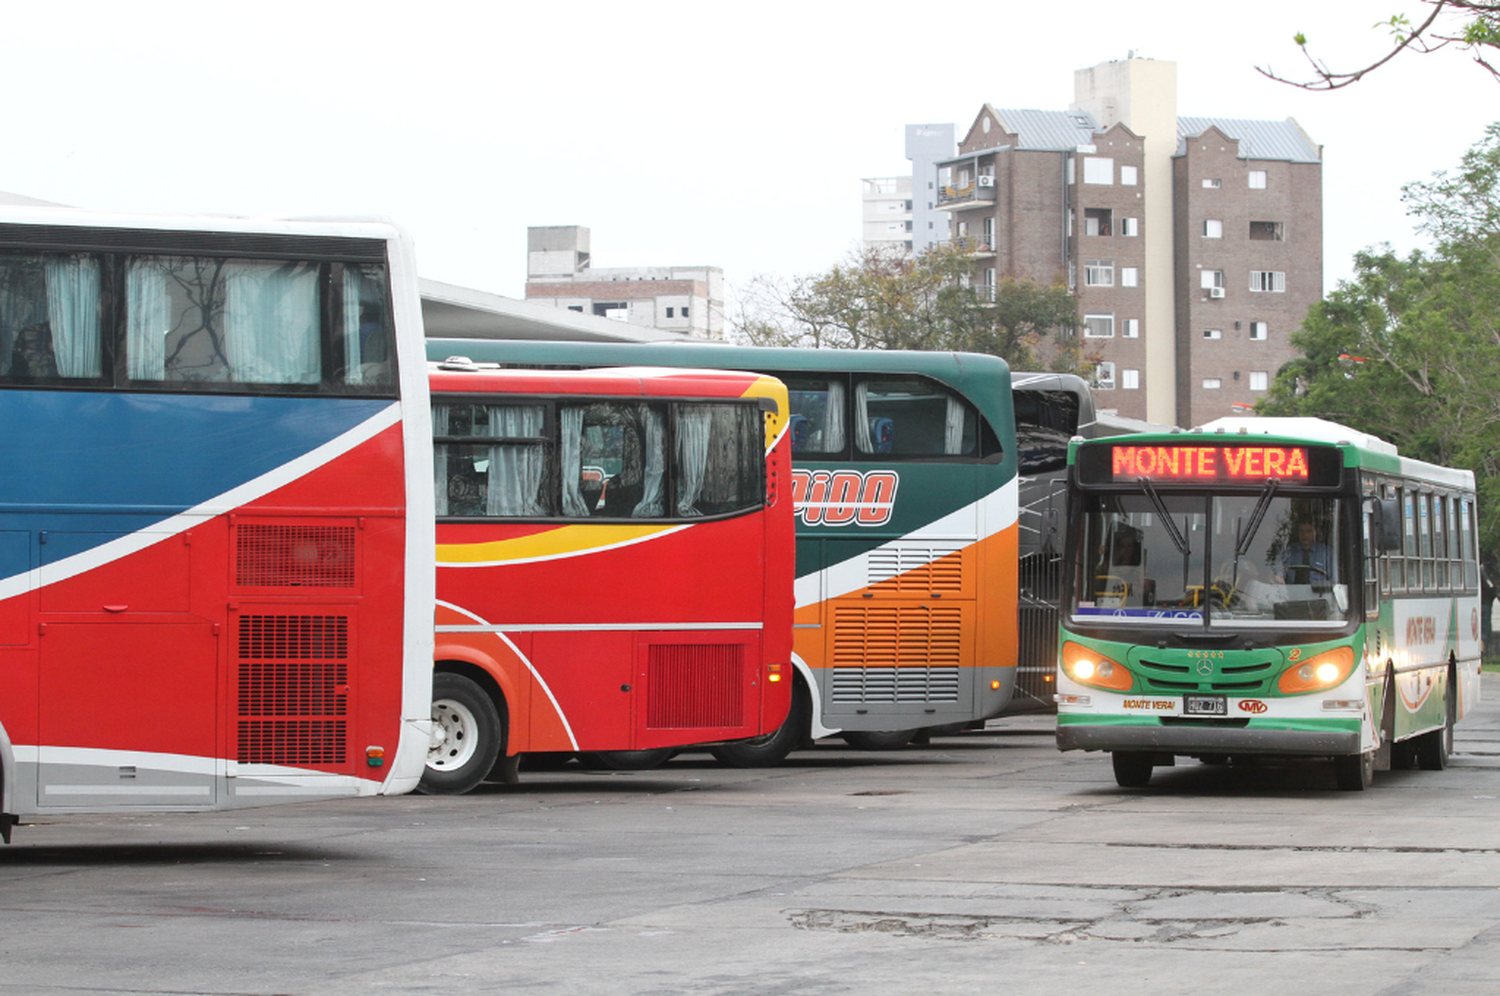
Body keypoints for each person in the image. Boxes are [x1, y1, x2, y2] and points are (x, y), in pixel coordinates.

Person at [1281, 518, 1333, 584]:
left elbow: (1333, 581)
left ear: (1316, 532)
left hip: (1319, 593)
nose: (1304, 535)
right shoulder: (1288, 551)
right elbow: (1277, 569)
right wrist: (1278, 576)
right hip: (1291, 591)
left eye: (1308, 531)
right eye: (1301, 531)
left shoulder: (1327, 553)